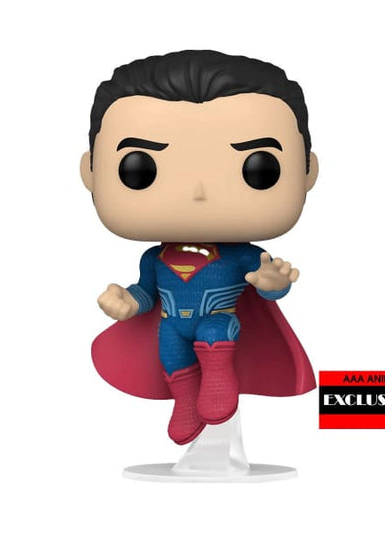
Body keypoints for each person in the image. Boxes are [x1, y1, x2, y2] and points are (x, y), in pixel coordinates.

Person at [80, 50, 319, 445]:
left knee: (214, 333)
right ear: (91, 171)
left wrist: (273, 282)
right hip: (172, 325)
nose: (199, 192)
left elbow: (267, 286)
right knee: (170, 352)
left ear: (307, 171)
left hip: (218, 323)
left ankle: (218, 380)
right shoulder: (154, 258)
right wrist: (128, 301)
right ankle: (186, 399)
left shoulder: (242, 255)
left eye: (259, 168)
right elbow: (147, 292)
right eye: (140, 168)